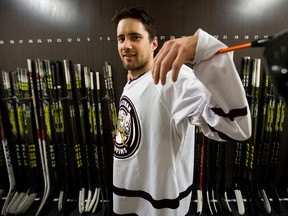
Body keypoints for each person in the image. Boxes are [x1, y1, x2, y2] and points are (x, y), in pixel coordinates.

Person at [112, 5, 251, 216]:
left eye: (135, 37)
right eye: (121, 38)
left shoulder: (170, 79)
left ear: (153, 43)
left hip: (158, 208)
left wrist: (203, 47)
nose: (126, 45)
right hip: (129, 199)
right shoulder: (133, 81)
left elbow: (236, 127)